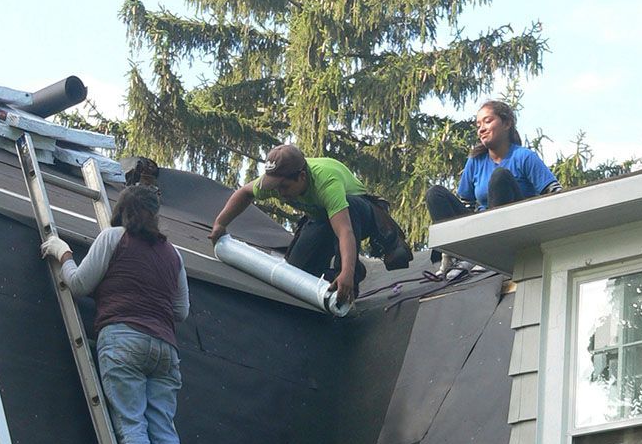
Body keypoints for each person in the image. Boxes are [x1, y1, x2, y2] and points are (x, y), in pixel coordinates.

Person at [40, 185, 200, 444]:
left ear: (122, 212)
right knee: (162, 424)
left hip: (123, 339)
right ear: (156, 215)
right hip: (164, 349)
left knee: (130, 419)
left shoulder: (114, 238)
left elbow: (80, 284)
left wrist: (63, 253)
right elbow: (181, 311)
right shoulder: (173, 255)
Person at [210, 144, 412, 306]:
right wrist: (220, 223)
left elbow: (345, 231)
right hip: (322, 217)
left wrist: (347, 273)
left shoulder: (326, 182)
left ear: (302, 176)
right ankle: (337, 277)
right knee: (296, 272)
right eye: (275, 187)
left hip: (360, 214)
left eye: (284, 187)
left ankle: (350, 280)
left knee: (347, 210)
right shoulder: (275, 182)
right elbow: (244, 193)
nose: (279, 193)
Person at [426, 100, 560, 278]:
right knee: (435, 194)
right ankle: (459, 258)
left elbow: (555, 195)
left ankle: (493, 253)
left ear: (506, 124)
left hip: (513, 234)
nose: (481, 129)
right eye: (478, 125)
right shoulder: (475, 161)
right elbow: (466, 205)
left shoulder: (524, 157)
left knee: (500, 177)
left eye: (487, 121)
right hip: (478, 234)